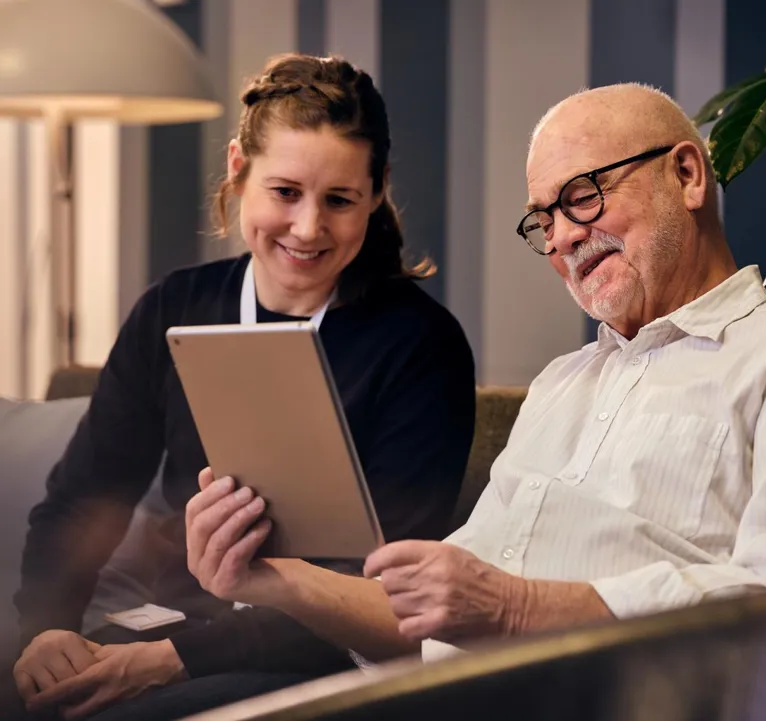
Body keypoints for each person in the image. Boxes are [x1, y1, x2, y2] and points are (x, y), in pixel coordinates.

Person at [183, 83, 766, 670]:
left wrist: (516, 609)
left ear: (686, 175)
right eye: (543, 219)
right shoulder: (561, 385)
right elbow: (427, 625)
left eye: (583, 195)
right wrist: (269, 578)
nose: (560, 236)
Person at [6, 53, 476, 720]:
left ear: (377, 191)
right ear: (237, 169)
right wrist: (47, 628)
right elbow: (85, 495)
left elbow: (390, 594)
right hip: (172, 623)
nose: (309, 227)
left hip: (324, 654)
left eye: (339, 199)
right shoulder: (175, 307)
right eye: (285, 191)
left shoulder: (421, 347)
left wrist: (170, 662)